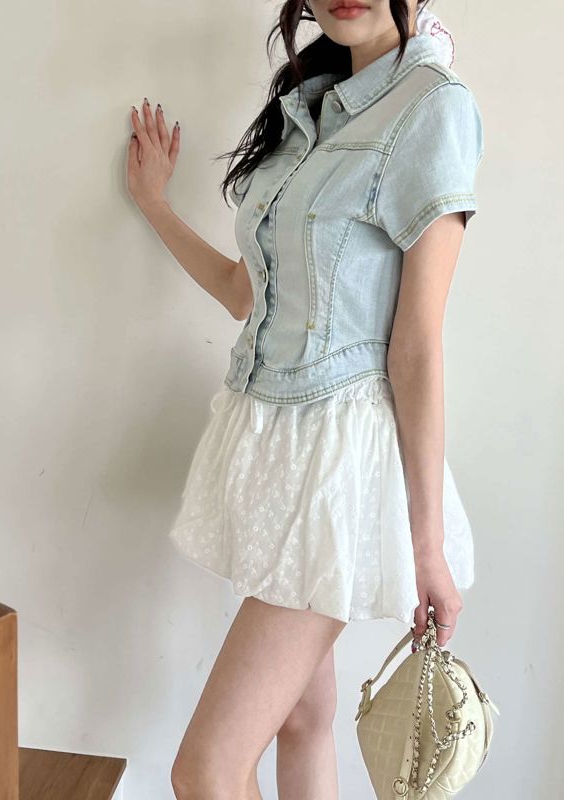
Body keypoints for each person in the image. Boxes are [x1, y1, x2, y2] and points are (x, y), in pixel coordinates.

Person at [126, 0, 483, 797]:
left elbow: (417, 346)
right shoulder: (305, 110)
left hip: (342, 471)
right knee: (300, 719)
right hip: (276, 453)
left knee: (207, 770)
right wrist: (156, 205)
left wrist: (424, 546)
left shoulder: (434, 106)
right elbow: (242, 291)